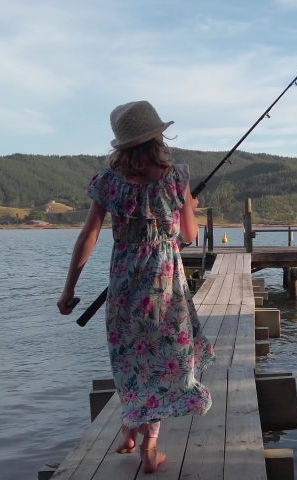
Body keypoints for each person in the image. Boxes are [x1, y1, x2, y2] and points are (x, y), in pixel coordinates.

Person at [57, 100, 215, 473]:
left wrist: (69, 290)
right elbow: (190, 236)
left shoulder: (109, 182)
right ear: (158, 136)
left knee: (131, 358)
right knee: (165, 360)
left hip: (124, 289)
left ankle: (129, 426)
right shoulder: (176, 176)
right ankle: (150, 445)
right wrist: (186, 204)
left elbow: (89, 236)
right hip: (165, 288)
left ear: (122, 145)